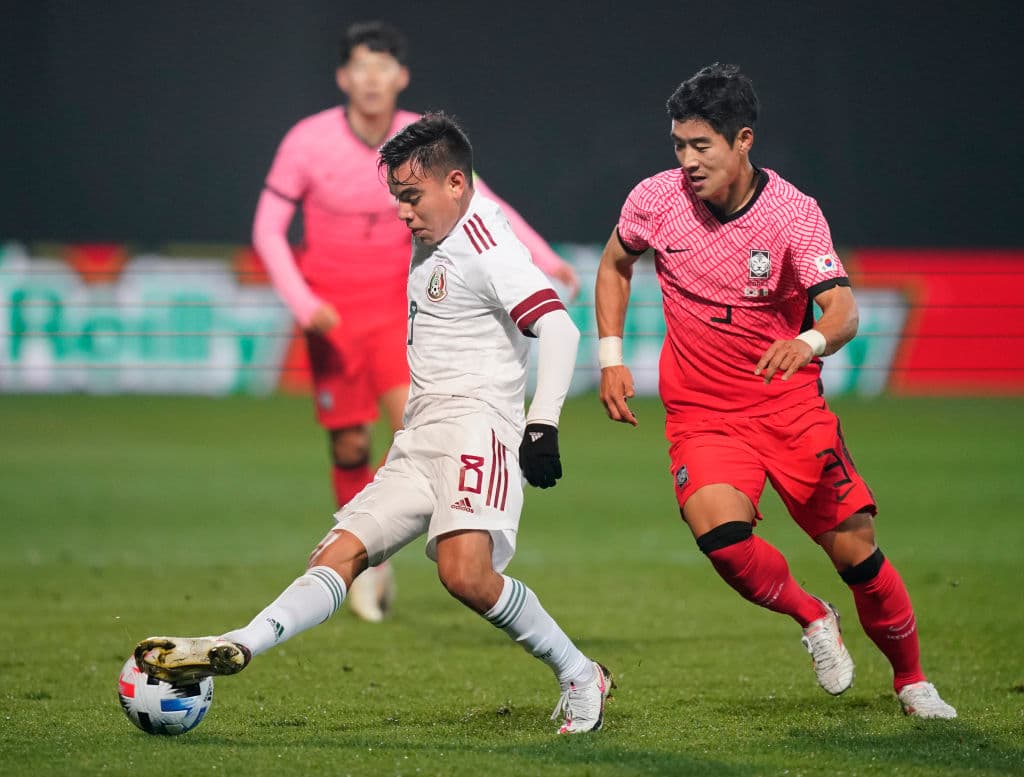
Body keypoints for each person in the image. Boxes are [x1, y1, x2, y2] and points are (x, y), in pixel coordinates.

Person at [136, 114, 612, 735]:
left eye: (412, 197)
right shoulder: (436, 235)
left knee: (465, 575)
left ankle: (581, 674)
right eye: (397, 199)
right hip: (419, 432)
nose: (402, 213)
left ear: (456, 184)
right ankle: (240, 642)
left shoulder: (487, 244)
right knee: (338, 552)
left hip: (479, 427)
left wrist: (541, 424)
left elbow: (560, 327)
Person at [594, 63, 955, 719]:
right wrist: (611, 354)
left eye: (701, 145)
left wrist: (809, 341)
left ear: (743, 141)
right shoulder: (655, 199)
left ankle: (912, 681)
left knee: (857, 554)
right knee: (722, 539)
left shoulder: (793, 214)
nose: (687, 161)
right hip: (704, 414)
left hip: (788, 410)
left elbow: (843, 311)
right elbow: (616, 262)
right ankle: (812, 615)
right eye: (678, 145)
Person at [252, 21, 579, 622]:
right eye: (361, 67)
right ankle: (372, 563)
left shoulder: (420, 144)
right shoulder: (307, 141)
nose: (371, 80)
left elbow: (480, 199)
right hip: (330, 316)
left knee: (417, 423)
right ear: (343, 77)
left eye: (382, 67)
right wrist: (302, 304)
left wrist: (546, 258)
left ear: (400, 76)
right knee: (350, 442)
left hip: (399, 310)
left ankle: (408, 545)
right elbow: (267, 230)